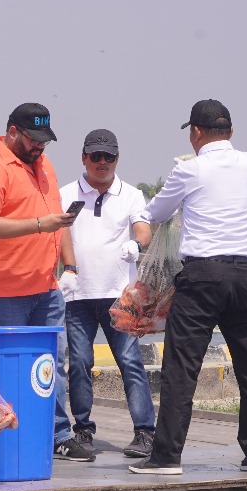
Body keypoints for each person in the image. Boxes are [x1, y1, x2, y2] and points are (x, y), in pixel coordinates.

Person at [129, 99, 247, 475]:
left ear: (195, 132)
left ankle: (166, 457)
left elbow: (157, 213)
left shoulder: (189, 170)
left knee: (182, 368)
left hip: (203, 276)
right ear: (231, 131)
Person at [0, 103, 78, 458]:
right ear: (12, 131)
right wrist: (40, 225)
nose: (39, 147)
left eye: (45, 140)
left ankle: (57, 435)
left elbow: (59, 220)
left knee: (51, 366)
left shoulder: (46, 166)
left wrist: (69, 267)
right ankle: (6, 439)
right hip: (4, 293)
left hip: (46, 287)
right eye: (33, 140)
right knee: (7, 371)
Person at [58, 129, 156, 459]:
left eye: (109, 157)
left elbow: (143, 227)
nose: (102, 163)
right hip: (78, 295)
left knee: (130, 362)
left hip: (120, 296)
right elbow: (59, 235)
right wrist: (67, 269)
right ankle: (82, 429)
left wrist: (137, 243)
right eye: (95, 156)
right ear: (84, 157)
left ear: (117, 158)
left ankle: (145, 432)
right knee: (79, 364)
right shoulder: (65, 193)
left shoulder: (131, 194)